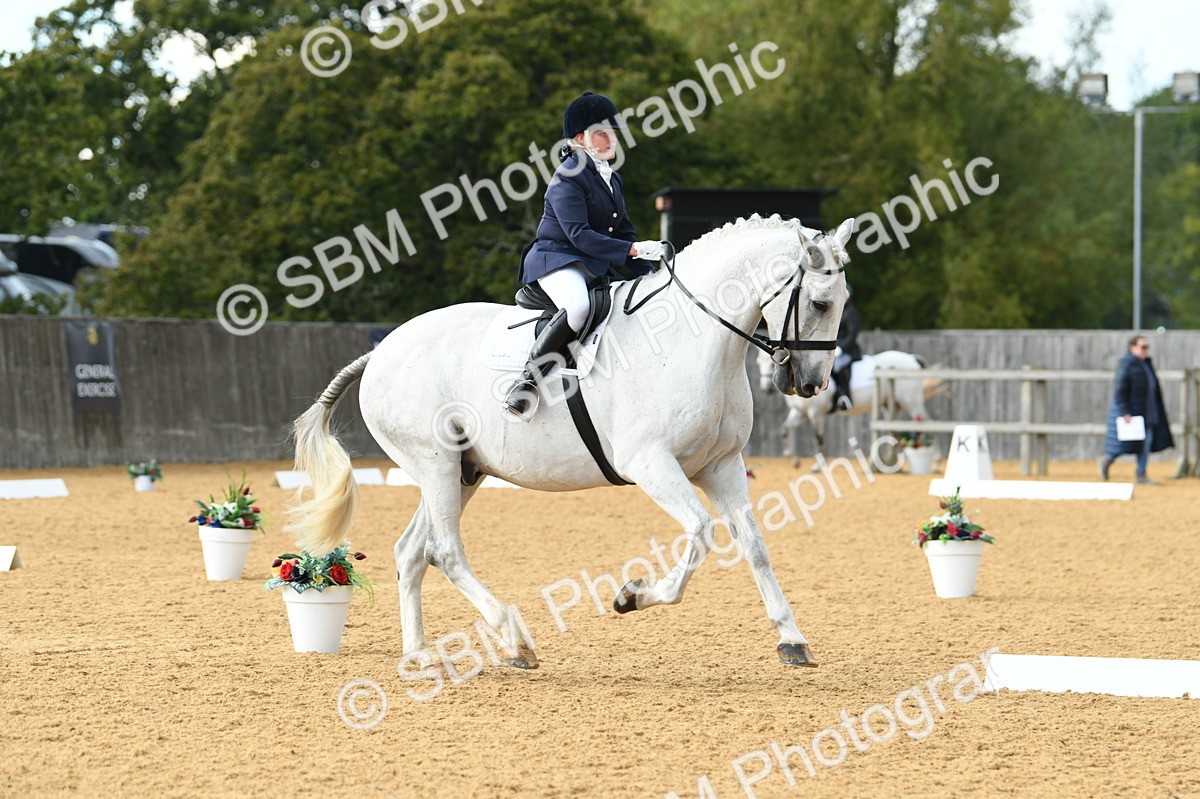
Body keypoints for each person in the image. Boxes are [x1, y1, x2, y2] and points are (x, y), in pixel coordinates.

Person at [504, 92, 662, 418]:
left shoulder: (611, 178)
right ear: (581, 138)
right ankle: (526, 382)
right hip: (557, 258)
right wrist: (630, 250)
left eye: (612, 133)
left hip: (590, 263)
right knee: (578, 306)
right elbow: (579, 234)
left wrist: (654, 268)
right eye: (601, 133)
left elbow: (624, 234)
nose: (610, 139)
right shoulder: (567, 177)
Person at [1099, 335, 1174, 484]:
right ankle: (1107, 460)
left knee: (1146, 443)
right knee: (1122, 446)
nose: (1145, 350)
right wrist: (1125, 411)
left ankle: (1141, 474)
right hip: (1133, 413)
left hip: (1148, 412)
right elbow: (1120, 390)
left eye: (1147, 347)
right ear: (1132, 347)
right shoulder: (1126, 365)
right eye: (1142, 347)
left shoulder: (1146, 364)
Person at [830, 285, 861, 412]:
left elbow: (852, 334)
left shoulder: (851, 313)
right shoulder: (836, 312)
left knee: (837, 365)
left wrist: (841, 348)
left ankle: (846, 397)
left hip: (848, 351)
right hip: (833, 349)